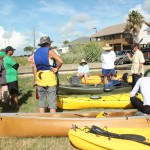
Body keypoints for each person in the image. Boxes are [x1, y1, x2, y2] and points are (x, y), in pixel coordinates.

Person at [34, 36, 63, 113]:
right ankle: (52, 121)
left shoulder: (36, 52)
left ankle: (42, 120)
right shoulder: (50, 51)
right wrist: (57, 68)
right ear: (49, 43)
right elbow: (61, 61)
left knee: (41, 101)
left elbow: (35, 67)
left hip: (40, 77)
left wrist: (35, 80)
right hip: (50, 77)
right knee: (52, 102)